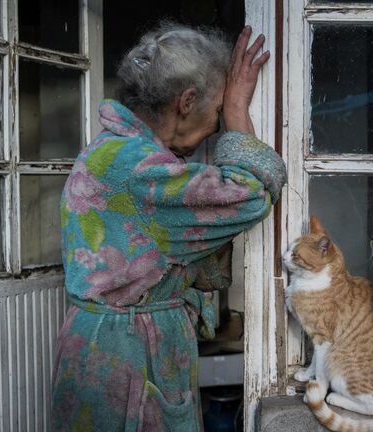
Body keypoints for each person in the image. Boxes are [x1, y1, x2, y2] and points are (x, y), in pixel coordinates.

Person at [51, 22, 287, 431]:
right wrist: (238, 112)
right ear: (187, 101)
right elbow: (252, 191)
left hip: (102, 348)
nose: (216, 127)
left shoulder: (110, 153)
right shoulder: (140, 170)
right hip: (127, 357)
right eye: (216, 113)